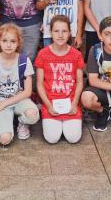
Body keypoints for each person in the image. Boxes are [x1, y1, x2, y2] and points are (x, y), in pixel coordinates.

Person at [0, 23, 39, 145]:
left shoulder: (24, 60)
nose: (8, 45)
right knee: (5, 140)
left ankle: (22, 123)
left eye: (13, 41)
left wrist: (5, 103)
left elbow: (28, 91)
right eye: (5, 40)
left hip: (19, 99)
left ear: (18, 42)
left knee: (33, 115)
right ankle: (6, 123)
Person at [35, 15, 84, 144]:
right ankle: (54, 122)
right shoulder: (42, 54)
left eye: (64, 31)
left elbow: (79, 82)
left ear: (69, 33)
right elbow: (39, 84)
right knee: (52, 139)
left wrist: (75, 103)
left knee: (73, 138)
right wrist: (48, 105)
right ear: (50, 32)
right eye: (56, 31)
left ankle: (67, 123)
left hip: (70, 102)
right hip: (51, 102)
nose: (60, 35)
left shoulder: (76, 55)